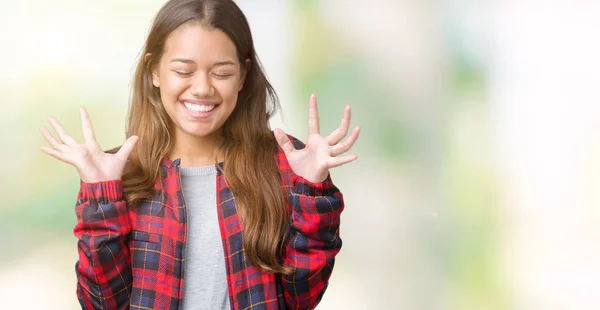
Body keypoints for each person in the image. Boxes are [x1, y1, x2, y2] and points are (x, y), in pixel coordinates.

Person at [39, 0, 360, 309]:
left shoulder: (285, 165)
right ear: (154, 71)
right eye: (183, 71)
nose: (203, 88)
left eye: (221, 73)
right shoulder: (117, 178)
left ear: (243, 76)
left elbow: (302, 299)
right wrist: (101, 201)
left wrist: (311, 193)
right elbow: (102, 305)